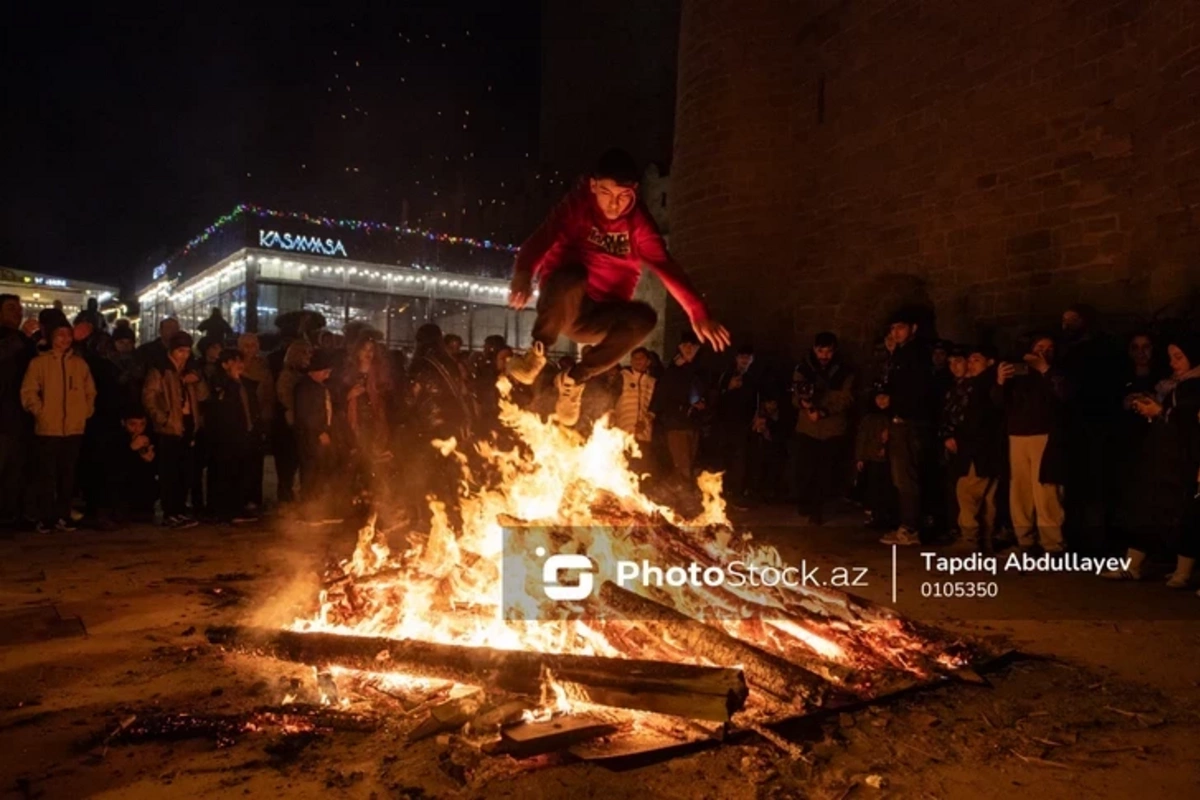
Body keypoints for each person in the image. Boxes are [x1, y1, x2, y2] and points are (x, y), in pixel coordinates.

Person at [504, 148, 730, 426]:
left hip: (600, 316)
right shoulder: (576, 206)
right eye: (607, 194)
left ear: (634, 191)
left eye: (623, 196)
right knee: (573, 276)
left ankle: (575, 380)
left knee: (645, 318)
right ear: (593, 186)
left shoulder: (638, 224)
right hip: (564, 304)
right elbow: (542, 238)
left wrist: (698, 311)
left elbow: (665, 265)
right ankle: (536, 353)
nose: (614, 205)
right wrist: (524, 274)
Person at [1103, 334, 1200, 589]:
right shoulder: (1175, 384)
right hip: (1162, 456)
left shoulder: (1194, 385)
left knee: (1181, 513)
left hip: (1182, 459)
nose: (1174, 363)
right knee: (1147, 507)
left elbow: (1187, 420)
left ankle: (1183, 572)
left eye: (1179, 357)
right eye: (1171, 357)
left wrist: (1160, 412)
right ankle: (1132, 566)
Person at [994, 334, 1068, 553]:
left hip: (1044, 436)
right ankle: (1025, 540)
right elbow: (998, 403)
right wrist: (1000, 381)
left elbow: (1064, 395)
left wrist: (1045, 370)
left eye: (1049, 348)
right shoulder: (1019, 373)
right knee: (1020, 491)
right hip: (1017, 436)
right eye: (1039, 346)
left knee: (1046, 491)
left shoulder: (1057, 373)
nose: (1043, 351)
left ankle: (1053, 544)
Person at [20, 320, 96, 533]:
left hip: (73, 428)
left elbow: (90, 391)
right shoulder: (39, 363)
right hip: (48, 427)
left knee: (67, 474)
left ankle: (62, 514)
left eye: (68, 335)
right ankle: (45, 515)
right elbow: (29, 391)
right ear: (52, 338)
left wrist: (84, 411)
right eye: (60, 335)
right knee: (46, 475)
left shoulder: (79, 364)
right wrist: (40, 411)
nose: (65, 339)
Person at [877, 310, 935, 546]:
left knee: (906, 477)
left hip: (911, 423)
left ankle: (910, 528)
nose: (895, 333)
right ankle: (906, 523)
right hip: (899, 421)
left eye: (900, 327)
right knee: (901, 477)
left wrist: (894, 403)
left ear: (913, 328)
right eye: (892, 329)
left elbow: (919, 391)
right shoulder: (901, 355)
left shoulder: (918, 355)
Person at [943, 346, 1005, 552]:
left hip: (980, 449)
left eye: (976, 360)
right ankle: (986, 541)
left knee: (967, 492)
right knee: (987, 498)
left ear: (990, 362)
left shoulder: (986, 385)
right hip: (984, 448)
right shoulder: (975, 385)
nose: (970, 364)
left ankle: (970, 539)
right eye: (969, 360)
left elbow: (982, 417)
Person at [143, 331, 206, 529]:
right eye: (181, 351)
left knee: (185, 471)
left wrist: (196, 381)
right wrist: (163, 419)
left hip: (187, 424)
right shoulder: (161, 370)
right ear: (172, 351)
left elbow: (203, 395)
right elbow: (149, 397)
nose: (184, 355)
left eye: (187, 351)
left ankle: (179, 509)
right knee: (169, 472)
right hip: (170, 427)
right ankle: (170, 511)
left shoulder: (190, 371)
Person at [792, 332, 856, 525]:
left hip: (831, 430)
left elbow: (846, 398)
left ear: (834, 351)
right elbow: (795, 395)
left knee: (824, 472)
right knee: (805, 469)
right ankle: (806, 502)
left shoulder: (845, 371)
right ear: (814, 349)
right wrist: (805, 404)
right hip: (807, 428)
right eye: (821, 351)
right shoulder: (803, 368)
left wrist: (823, 411)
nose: (824, 355)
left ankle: (817, 509)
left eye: (828, 351)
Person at [205, 349, 261, 523]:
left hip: (245, 434)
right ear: (224, 364)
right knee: (226, 472)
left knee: (241, 471)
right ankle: (225, 509)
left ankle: (239, 506)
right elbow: (219, 412)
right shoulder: (220, 384)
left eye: (240, 360)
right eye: (234, 361)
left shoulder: (245, 384)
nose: (239, 364)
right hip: (227, 437)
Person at [649, 332, 708, 484]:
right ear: (680, 347)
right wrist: (652, 414)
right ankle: (683, 497)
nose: (689, 348)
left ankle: (682, 493)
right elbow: (661, 393)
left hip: (694, 422)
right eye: (685, 345)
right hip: (675, 422)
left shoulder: (701, 370)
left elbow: (708, 391)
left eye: (692, 345)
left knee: (690, 460)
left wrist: (704, 403)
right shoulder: (673, 370)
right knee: (682, 463)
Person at [0, 294, 35, 528]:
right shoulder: (14, 341)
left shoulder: (23, 340)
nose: (18, 312)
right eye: (11, 307)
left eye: (19, 308)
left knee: (16, 470)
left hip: (19, 417)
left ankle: (10, 515)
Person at [715, 345, 759, 507]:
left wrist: (757, 417)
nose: (744, 361)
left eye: (748, 358)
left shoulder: (753, 377)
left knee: (741, 461)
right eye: (742, 357)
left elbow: (756, 399)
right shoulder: (726, 375)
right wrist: (728, 388)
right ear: (736, 359)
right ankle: (722, 494)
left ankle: (737, 493)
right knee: (725, 459)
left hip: (744, 425)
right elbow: (717, 397)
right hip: (725, 424)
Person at [294, 349, 337, 505]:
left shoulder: (320, 386)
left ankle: (316, 505)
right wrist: (319, 432)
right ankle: (308, 506)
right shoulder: (305, 387)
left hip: (320, 434)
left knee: (319, 470)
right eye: (325, 371)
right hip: (309, 437)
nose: (327, 375)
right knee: (310, 471)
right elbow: (305, 414)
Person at [238, 333, 275, 509]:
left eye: (253, 345)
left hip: (258, 417)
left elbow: (268, 395)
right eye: (246, 345)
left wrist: (266, 419)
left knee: (255, 460)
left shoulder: (263, 367)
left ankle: (254, 497)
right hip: (240, 419)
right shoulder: (236, 366)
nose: (250, 349)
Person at [273, 340, 312, 504]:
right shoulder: (288, 376)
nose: (309, 357)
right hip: (288, 426)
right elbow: (286, 400)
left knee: (294, 464)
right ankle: (285, 500)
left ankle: (290, 498)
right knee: (287, 466)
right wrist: (295, 422)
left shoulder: (300, 376)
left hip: (297, 423)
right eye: (306, 353)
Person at [856, 391, 895, 530]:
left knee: (887, 488)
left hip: (888, 459)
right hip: (872, 458)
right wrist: (860, 457)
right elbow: (862, 438)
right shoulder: (869, 418)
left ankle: (887, 516)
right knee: (874, 488)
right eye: (879, 398)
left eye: (885, 397)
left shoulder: (894, 417)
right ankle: (876, 516)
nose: (882, 401)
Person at [114, 408, 158, 524]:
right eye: (132, 424)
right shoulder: (117, 439)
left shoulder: (148, 439)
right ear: (124, 423)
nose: (137, 429)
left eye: (142, 424)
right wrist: (130, 449)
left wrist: (149, 460)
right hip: (121, 492)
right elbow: (115, 466)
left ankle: (144, 509)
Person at [613, 347, 657, 450]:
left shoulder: (653, 382)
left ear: (648, 362)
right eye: (634, 358)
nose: (638, 360)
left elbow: (654, 408)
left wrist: (645, 423)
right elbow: (611, 400)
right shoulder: (622, 377)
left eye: (641, 358)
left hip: (644, 436)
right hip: (623, 434)